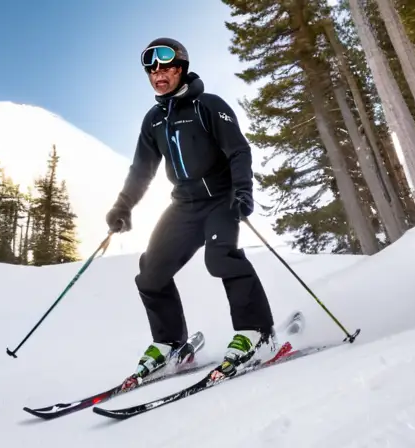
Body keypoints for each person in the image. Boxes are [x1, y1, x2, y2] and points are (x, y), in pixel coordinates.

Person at [105, 37, 278, 379]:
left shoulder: (208, 106)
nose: (159, 74)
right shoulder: (153, 121)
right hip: (183, 205)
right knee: (150, 272)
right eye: (152, 69)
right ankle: (172, 345)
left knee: (220, 259)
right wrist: (122, 207)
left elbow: (238, 151)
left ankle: (257, 333)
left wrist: (242, 190)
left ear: (181, 68)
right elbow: (142, 169)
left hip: (221, 199)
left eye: (166, 67)